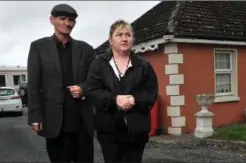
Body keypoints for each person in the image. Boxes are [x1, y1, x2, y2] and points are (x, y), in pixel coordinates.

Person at [27, 3, 95, 163]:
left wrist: (83, 89)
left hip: (81, 122)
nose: (67, 23)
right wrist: (35, 116)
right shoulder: (38, 47)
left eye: (71, 20)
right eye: (62, 18)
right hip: (54, 122)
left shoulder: (86, 49)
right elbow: (34, 85)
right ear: (52, 20)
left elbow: (95, 79)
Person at [86, 19, 158, 163]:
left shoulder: (144, 66)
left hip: (136, 130)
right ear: (110, 40)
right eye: (119, 35)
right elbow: (92, 91)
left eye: (128, 35)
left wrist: (134, 100)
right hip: (109, 130)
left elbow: (151, 93)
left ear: (132, 39)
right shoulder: (99, 64)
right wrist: (115, 99)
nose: (124, 39)